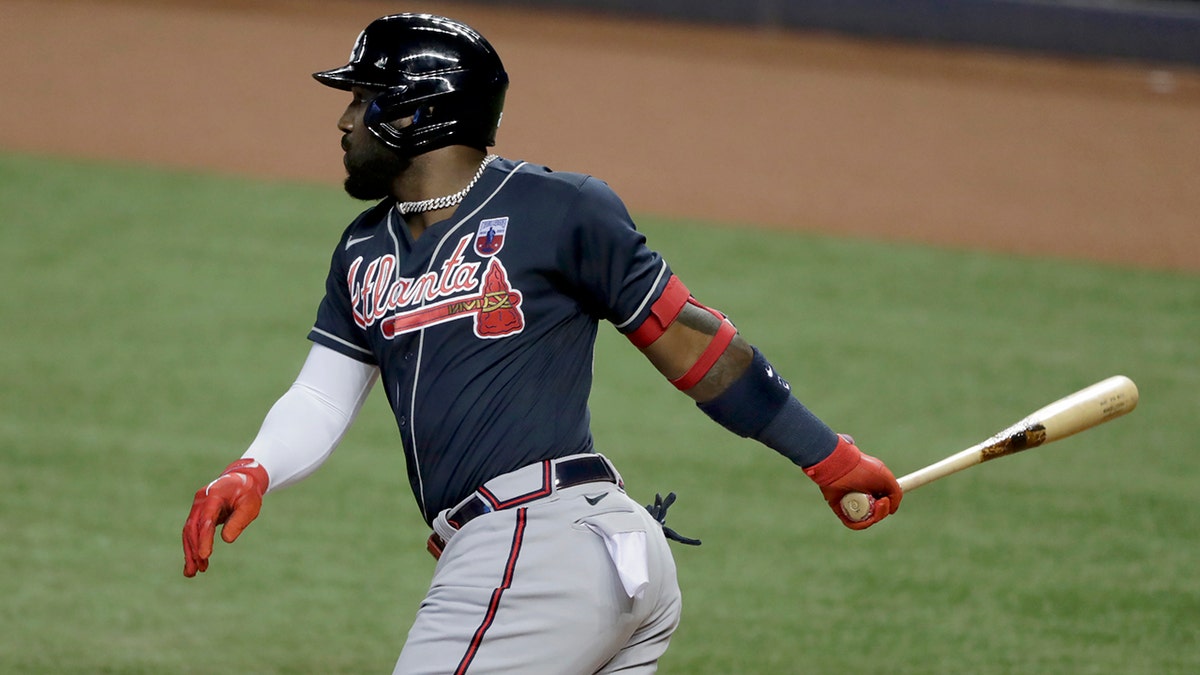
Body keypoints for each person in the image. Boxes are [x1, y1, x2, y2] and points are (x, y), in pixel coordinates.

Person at [181, 13, 902, 674]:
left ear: (417, 112)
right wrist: (254, 469)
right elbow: (320, 393)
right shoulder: (364, 246)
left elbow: (697, 347)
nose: (343, 120)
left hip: (538, 545)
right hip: (579, 560)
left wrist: (829, 457)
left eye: (362, 98)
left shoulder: (557, 209)